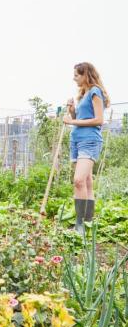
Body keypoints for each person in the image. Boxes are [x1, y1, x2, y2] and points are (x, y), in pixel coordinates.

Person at [64, 62, 109, 235]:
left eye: (76, 74)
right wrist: (73, 111)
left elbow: (99, 120)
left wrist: (72, 121)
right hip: (76, 140)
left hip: (89, 141)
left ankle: (80, 224)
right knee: (87, 182)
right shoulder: (83, 95)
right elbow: (82, 117)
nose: (74, 78)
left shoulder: (95, 92)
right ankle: (88, 223)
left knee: (78, 181)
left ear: (85, 75)